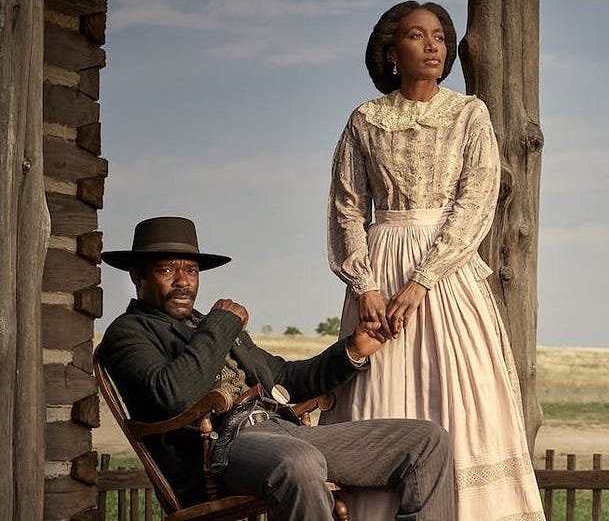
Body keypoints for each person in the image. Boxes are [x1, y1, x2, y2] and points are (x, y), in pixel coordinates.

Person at [322, 0, 545, 520]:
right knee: (377, 391)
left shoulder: (469, 113)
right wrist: (365, 285)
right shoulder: (364, 120)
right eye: (418, 36)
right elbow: (347, 206)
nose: (432, 46)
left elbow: (476, 199)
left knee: (462, 394)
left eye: (440, 37)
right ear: (391, 52)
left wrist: (423, 280)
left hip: (446, 275)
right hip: (377, 272)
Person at [96, 216, 455, 521]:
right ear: (136, 276)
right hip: (220, 452)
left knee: (426, 441)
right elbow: (170, 395)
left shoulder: (210, 325)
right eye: (167, 269)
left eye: (190, 270)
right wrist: (221, 324)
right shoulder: (128, 332)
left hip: (283, 431)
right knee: (298, 461)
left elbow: (285, 378)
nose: (184, 281)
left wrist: (352, 351)